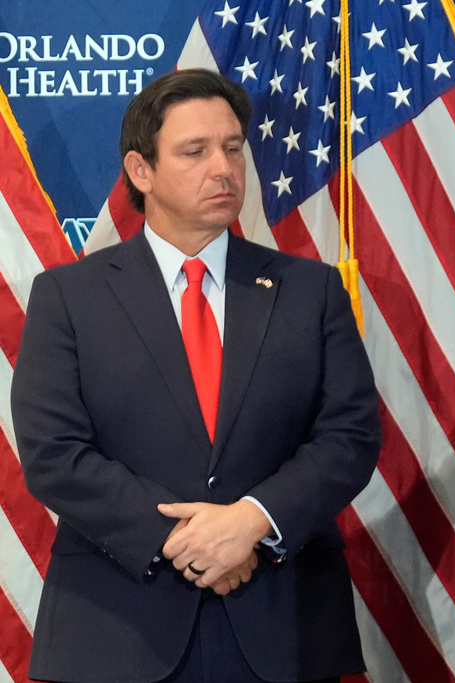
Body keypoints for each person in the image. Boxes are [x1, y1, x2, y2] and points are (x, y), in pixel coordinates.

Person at [11, 69, 381, 683]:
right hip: (116, 630)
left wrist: (251, 522)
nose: (225, 168)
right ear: (140, 171)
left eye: (233, 148)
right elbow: (54, 455)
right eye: (196, 151)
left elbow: (351, 437)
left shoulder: (310, 291)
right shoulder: (69, 297)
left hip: (283, 626)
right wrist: (187, 540)